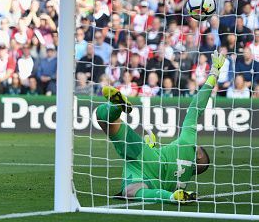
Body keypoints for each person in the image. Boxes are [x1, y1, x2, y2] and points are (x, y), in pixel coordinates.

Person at [95, 50, 225, 204]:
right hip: (150, 179)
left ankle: (116, 107)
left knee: (103, 118)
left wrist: (214, 74)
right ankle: (170, 197)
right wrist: (154, 146)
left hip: (145, 155)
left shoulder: (189, 143)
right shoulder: (183, 181)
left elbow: (195, 108)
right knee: (132, 192)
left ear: (198, 155)